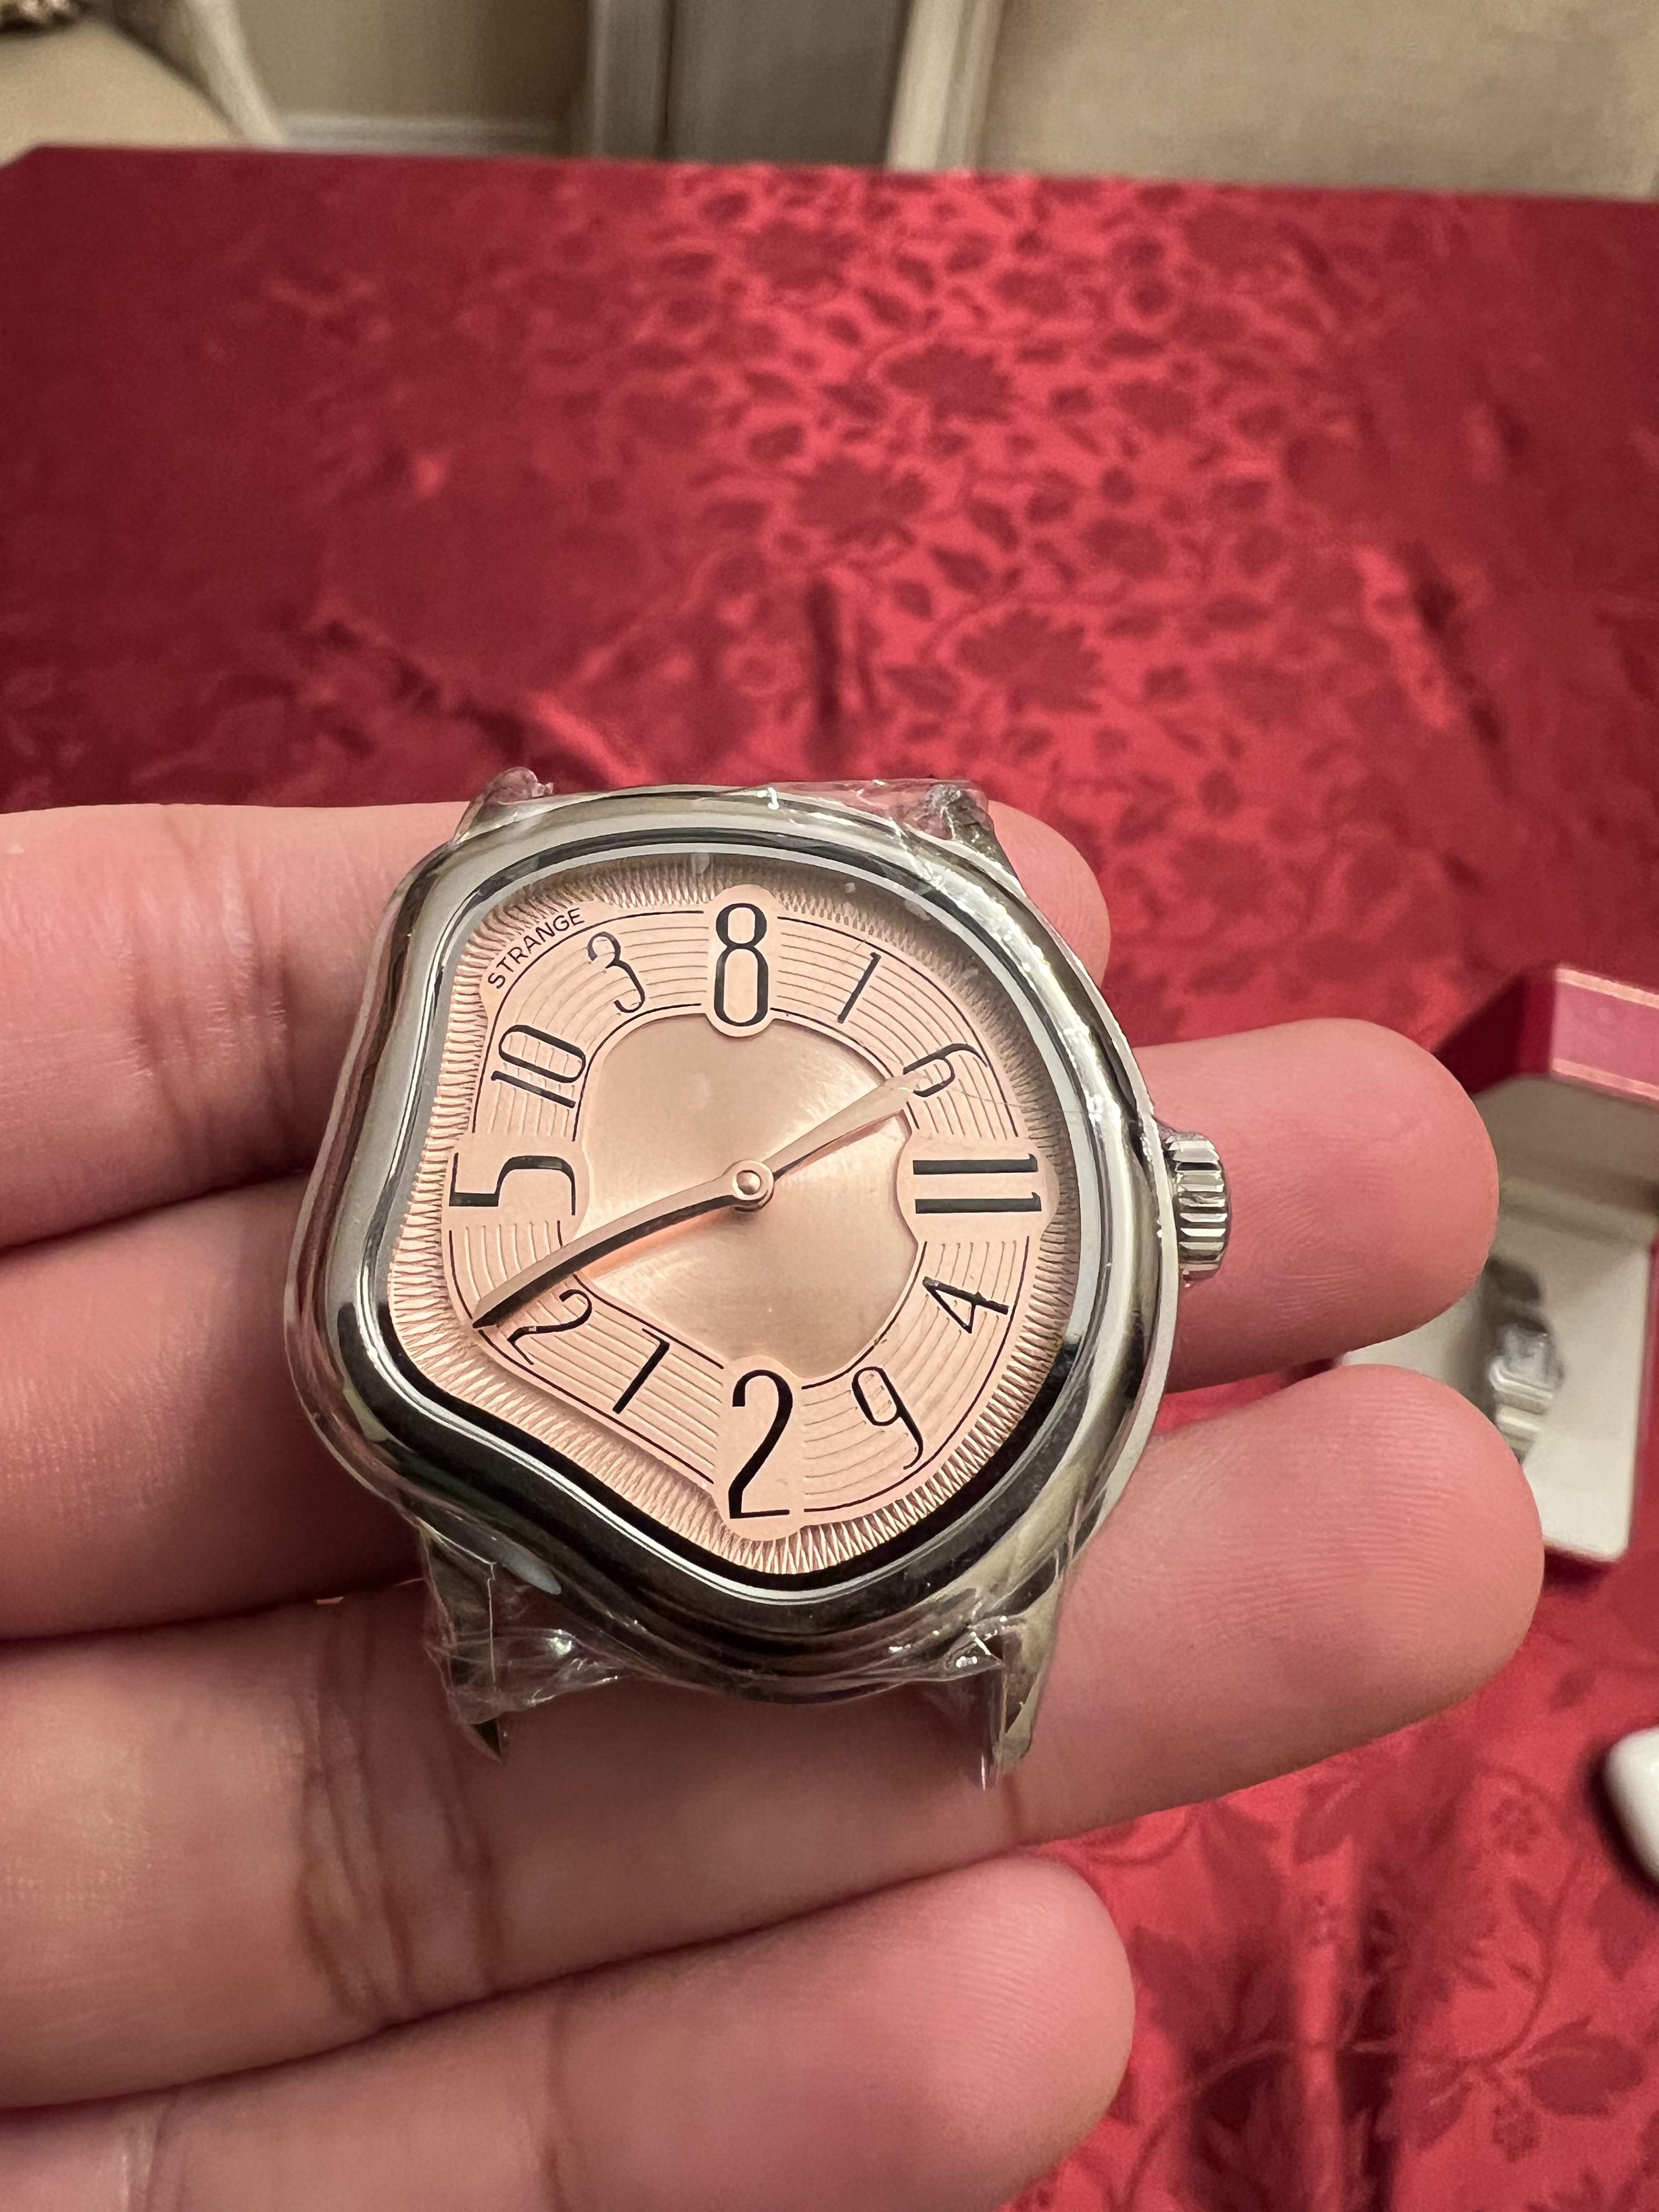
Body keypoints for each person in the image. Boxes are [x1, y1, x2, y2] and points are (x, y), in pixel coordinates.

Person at [0, 797, 1541, 2210]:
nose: (744, 1192)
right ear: (1168, 1193)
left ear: (1161, 1195)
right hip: (499, 1422)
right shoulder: (513, 909)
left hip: (669, 1483)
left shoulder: (561, 902)